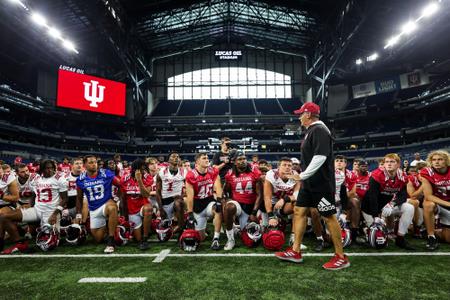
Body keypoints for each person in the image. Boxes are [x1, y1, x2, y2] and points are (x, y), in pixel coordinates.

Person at [276, 102, 350, 270]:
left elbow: (320, 157)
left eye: (301, 114)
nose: (299, 117)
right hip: (309, 184)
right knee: (299, 211)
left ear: (308, 114)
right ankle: (295, 251)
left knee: (328, 216)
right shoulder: (312, 131)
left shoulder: (319, 130)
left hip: (321, 184)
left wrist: (301, 176)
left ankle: (341, 256)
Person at [0, 159, 68, 254]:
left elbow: (65, 199)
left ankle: (66, 229)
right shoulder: (37, 179)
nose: (50, 170)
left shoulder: (60, 179)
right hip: (36, 210)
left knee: (48, 244)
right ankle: (20, 242)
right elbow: (34, 194)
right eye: (47, 168)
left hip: (50, 212)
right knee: (3, 217)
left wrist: (55, 214)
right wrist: (30, 205)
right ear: (42, 169)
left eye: (52, 168)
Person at [361, 153, 415, 250]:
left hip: (387, 206)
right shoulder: (376, 175)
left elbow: (403, 196)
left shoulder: (402, 176)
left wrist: (392, 204)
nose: (389, 164)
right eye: (386, 162)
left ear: (398, 164)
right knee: (376, 238)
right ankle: (366, 230)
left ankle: (400, 238)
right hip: (370, 207)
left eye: (392, 162)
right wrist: (376, 217)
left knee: (409, 208)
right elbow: (372, 197)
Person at [75, 155, 120, 254]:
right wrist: (78, 214)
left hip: (106, 204)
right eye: (90, 162)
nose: (94, 164)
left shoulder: (106, 173)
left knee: (112, 207)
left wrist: (117, 198)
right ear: (85, 165)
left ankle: (111, 241)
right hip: (94, 209)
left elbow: (120, 185)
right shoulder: (80, 179)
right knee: (98, 239)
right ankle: (111, 228)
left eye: (95, 162)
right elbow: (79, 198)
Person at [223, 151, 262, 250]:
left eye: (244, 159)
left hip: (250, 205)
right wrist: (226, 202)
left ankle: (237, 229)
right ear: (234, 162)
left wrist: (254, 212)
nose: (243, 161)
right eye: (240, 159)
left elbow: (259, 194)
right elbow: (225, 191)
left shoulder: (254, 171)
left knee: (250, 239)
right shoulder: (230, 174)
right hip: (238, 205)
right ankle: (231, 239)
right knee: (229, 207)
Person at [185, 153, 223, 250]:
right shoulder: (191, 175)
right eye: (204, 158)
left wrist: (218, 201)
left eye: (207, 158)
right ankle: (204, 229)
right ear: (197, 162)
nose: (207, 160)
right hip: (197, 205)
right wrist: (190, 213)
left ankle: (216, 239)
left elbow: (218, 186)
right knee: (201, 238)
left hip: (209, 201)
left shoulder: (212, 171)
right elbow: (190, 196)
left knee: (218, 209)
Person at [120, 159, 153, 250]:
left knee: (149, 208)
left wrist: (139, 181)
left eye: (144, 169)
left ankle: (145, 238)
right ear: (134, 170)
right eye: (141, 169)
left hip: (143, 206)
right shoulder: (125, 179)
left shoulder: (147, 177)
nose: (143, 171)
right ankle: (143, 234)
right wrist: (124, 217)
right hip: (132, 210)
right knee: (137, 239)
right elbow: (123, 199)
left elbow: (146, 194)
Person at [420, 150, 450, 250]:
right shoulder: (426, 172)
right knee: (428, 204)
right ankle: (431, 236)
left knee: (448, 239)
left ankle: (425, 231)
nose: (436, 162)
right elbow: (428, 196)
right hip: (438, 204)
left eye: (440, 159)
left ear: (446, 161)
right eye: (434, 160)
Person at [156, 152, 187, 233]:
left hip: (177, 200)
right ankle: (177, 222)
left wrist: (182, 195)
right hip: (165, 201)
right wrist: (160, 209)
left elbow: (189, 189)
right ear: (168, 160)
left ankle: (181, 227)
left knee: (178, 203)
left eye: (177, 156)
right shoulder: (161, 172)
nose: (176, 158)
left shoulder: (184, 172)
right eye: (173, 156)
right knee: (164, 230)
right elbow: (158, 192)